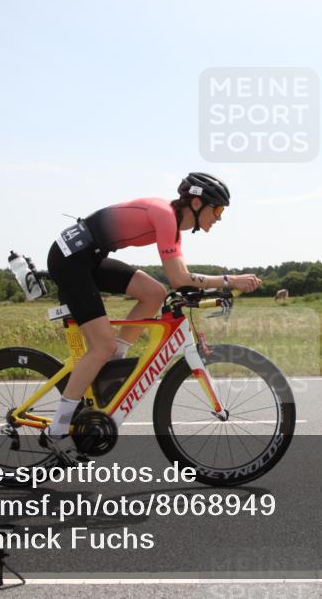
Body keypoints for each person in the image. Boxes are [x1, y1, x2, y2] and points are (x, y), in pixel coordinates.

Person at [41, 172, 262, 462]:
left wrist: (205, 288)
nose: (219, 217)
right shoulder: (165, 217)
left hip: (89, 256)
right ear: (196, 203)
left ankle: (111, 363)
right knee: (100, 345)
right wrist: (229, 280)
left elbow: (179, 280)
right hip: (71, 260)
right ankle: (57, 430)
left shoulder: (173, 229)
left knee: (154, 293)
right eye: (217, 210)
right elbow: (179, 277)